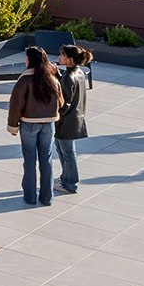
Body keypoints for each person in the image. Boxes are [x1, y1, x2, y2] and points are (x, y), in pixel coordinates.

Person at [5, 47, 64, 207]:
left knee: (30, 160)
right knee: (47, 159)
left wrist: (13, 126)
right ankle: (47, 197)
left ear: (29, 60)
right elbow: (61, 102)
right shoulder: (52, 80)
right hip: (49, 124)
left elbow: (16, 105)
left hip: (29, 124)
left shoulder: (24, 80)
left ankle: (30, 197)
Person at [53, 45, 92, 195]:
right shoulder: (79, 73)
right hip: (75, 120)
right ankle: (65, 178)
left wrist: (54, 115)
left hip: (66, 122)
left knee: (67, 152)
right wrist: (57, 75)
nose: (59, 57)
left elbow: (65, 103)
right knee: (64, 150)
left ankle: (70, 183)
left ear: (69, 59)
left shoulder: (69, 77)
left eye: (62, 55)